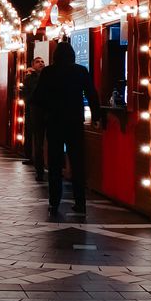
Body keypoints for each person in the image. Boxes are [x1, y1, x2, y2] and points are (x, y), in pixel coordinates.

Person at [31, 40, 100, 218]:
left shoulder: (48, 72)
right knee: (77, 162)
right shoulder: (80, 71)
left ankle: (54, 202)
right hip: (75, 122)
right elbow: (92, 94)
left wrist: (47, 111)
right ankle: (80, 203)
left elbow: (38, 98)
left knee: (54, 164)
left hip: (54, 122)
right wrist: (96, 116)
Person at [22, 56, 46, 179]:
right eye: (38, 62)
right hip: (36, 113)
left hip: (48, 113)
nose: (41, 63)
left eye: (42, 61)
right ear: (33, 65)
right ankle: (39, 170)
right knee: (38, 142)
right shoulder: (30, 78)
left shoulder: (48, 75)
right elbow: (28, 95)